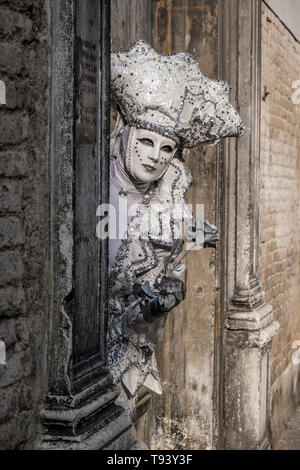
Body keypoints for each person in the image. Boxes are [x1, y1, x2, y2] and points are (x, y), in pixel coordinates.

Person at [107, 40, 245, 413]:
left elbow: (134, 320)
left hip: (123, 375)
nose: (154, 156)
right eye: (146, 141)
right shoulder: (86, 187)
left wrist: (154, 309)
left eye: (166, 149)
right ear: (124, 132)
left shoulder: (169, 216)